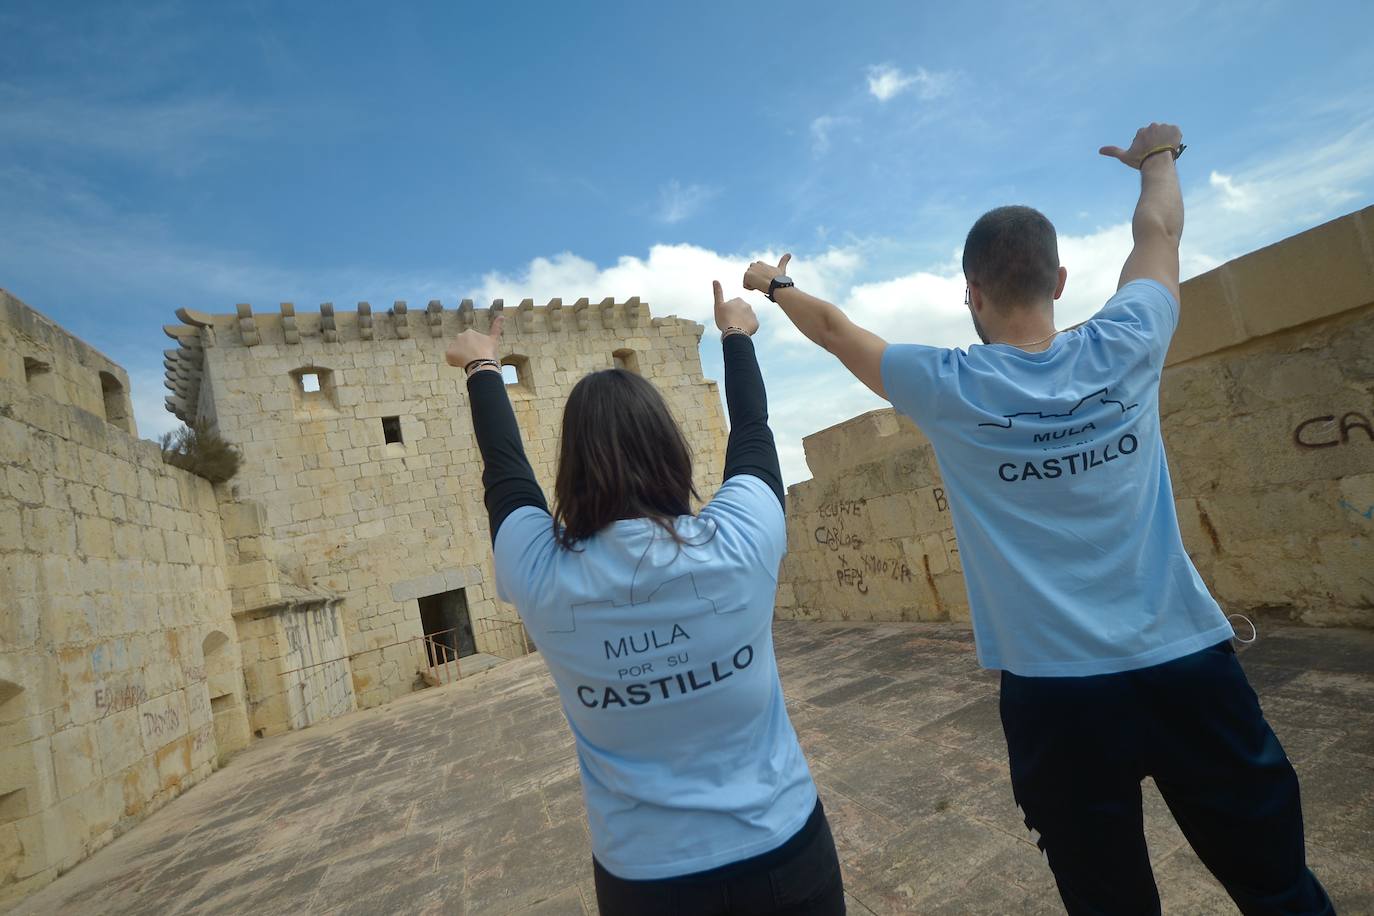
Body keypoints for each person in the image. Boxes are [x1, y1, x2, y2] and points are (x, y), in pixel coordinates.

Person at [744, 122, 1332, 914]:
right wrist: (1156, 156)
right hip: (1190, 668)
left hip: (1058, 703)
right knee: (1278, 887)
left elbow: (835, 330)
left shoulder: (947, 385)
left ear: (971, 294)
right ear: (1059, 280)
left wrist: (772, 285)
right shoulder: (1128, 340)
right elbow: (1157, 230)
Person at [446, 283, 845, 915]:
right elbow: (753, 434)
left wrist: (483, 369)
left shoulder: (540, 573)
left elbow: (507, 477)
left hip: (645, 879)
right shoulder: (738, 542)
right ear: (670, 448)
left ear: (571, 467)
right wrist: (736, 335)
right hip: (785, 851)